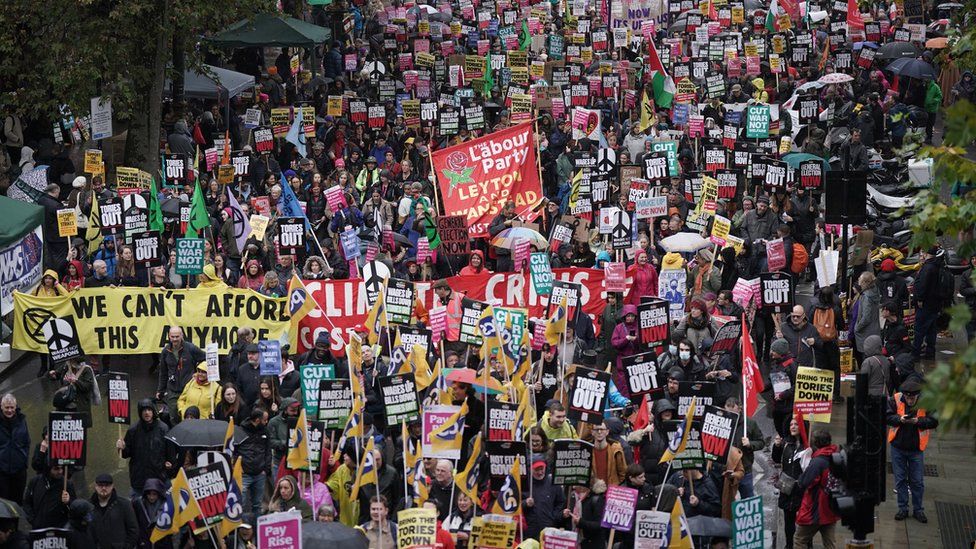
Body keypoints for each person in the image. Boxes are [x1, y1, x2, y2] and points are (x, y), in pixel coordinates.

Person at [887, 378, 939, 523]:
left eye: (913, 398)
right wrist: (899, 419)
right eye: (908, 397)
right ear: (904, 394)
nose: (910, 400)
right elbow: (886, 416)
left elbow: (934, 421)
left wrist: (918, 421)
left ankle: (918, 510)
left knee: (917, 481)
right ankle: (903, 508)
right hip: (898, 447)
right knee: (900, 480)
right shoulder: (896, 399)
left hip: (916, 449)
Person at [794, 429, 840, 549]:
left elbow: (804, 482)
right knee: (830, 543)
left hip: (816, 508)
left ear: (816, 443)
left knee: (799, 540)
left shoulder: (818, 462)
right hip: (832, 507)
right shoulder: (836, 457)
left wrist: (801, 477)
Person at [119, 399, 171, 497]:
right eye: (144, 410)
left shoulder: (163, 429)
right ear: (140, 412)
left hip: (159, 477)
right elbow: (125, 454)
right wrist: (122, 448)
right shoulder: (133, 430)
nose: (146, 413)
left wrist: (169, 463)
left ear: (153, 411)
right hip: (139, 479)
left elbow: (169, 451)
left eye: (149, 410)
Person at [772, 416, 808, 549]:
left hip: (802, 489)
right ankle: (789, 545)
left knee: (805, 521)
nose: (792, 426)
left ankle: (806, 544)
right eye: (791, 424)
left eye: (796, 424)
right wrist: (776, 446)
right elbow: (776, 459)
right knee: (789, 521)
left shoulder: (808, 446)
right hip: (787, 488)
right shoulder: (786, 443)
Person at [156, 327, 206, 415]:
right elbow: (163, 372)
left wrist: (198, 373)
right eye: (173, 337)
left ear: (182, 336)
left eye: (177, 336)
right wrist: (160, 390)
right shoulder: (165, 351)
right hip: (173, 390)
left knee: (189, 415)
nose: (175, 339)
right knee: (173, 415)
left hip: (189, 389)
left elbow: (205, 358)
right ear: (169, 337)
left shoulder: (190, 348)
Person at [724, 397, 764, 499]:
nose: (730, 416)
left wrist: (750, 444)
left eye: (733, 413)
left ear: (739, 409)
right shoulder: (722, 422)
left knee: (748, 499)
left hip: (745, 470)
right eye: (728, 413)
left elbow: (761, 442)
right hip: (726, 471)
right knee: (726, 501)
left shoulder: (750, 423)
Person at [89, 473, 138, 549]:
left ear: (112, 486)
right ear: (95, 486)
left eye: (107, 485)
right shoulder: (89, 506)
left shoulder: (124, 505)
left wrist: (126, 546)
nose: (104, 488)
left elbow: (133, 530)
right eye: (100, 485)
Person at [23, 463, 74, 529]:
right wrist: (33, 520)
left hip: (59, 528)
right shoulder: (35, 482)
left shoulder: (67, 484)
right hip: (39, 527)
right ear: (48, 469)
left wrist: (68, 502)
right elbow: (27, 502)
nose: (60, 471)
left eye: (61, 468)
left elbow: (74, 507)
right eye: (56, 469)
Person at [0, 394, 29, 505]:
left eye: (12, 407)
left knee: (17, 504)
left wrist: (24, 461)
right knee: (4, 504)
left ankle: (14, 523)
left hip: (19, 471)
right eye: (7, 407)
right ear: (1, 407)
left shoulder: (22, 420)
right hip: (2, 472)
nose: (10, 410)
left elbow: (27, 442)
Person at [132, 479, 167, 549]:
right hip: (144, 541)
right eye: (149, 494)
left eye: (154, 494)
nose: (151, 497)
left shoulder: (166, 506)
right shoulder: (138, 504)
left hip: (162, 541)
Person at [590, 421, 627, 486]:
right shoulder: (587, 450)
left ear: (607, 432)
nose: (599, 432)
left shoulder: (616, 450)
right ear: (592, 432)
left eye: (602, 429)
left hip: (612, 491)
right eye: (596, 430)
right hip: (593, 491)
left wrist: (616, 487)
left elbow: (623, 473)